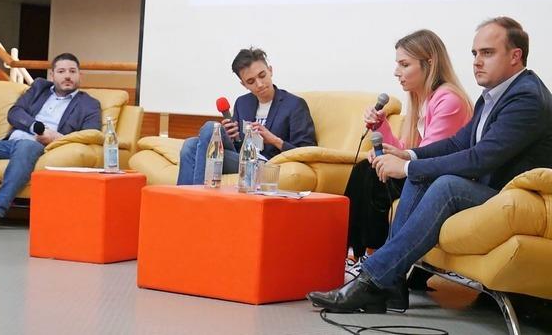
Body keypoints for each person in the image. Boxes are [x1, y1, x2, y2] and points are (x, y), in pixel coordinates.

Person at [307, 16, 552, 313]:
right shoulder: (491, 97)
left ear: (516, 56)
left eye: (487, 53)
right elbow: (459, 143)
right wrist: (408, 156)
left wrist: (408, 168)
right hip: (494, 189)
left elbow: (480, 158)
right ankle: (391, 285)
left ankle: (374, 281)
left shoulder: (526, 97)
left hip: (518, 197)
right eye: (474, 53)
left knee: (445, 184)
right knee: (420, 175)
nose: (477, 61)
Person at [346, 30, 472, 261]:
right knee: (367, 168)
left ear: (429, 63)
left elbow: (427, 156)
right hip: (423, 171)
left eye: (404, 64)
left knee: (368, 173)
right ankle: (358, 253)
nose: (397, 72)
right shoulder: (420, 102)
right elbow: (405, 149)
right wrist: (380, 127)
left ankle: (369, 255)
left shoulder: (449, 100)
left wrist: (390, 160)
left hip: (439, 177)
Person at [0, 53, 101, 229]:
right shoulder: (39, 88)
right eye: (61, 71)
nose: (67, 75)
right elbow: (15, 113)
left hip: (42, 145)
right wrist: (36, 127)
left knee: (26, 146)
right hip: (13, 140)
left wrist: (56, 138)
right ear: (52, 75)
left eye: (72, 71)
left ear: (80, 76)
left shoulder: (89, 104)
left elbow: (92, 134)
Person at [177, 47, 317, 185]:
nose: (259, 84)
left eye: (262, 75)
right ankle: (185, 201)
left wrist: (274, 140)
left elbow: (308, 151)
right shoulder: (242, 103)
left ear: (270, 70)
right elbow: (237, 146)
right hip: (242, 158)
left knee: (207, 130)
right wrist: (231, 136)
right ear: (243, 84)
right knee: (192, 144)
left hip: (266, 165)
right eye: (251, 81)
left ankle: (195, 196)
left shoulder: (294, 105)